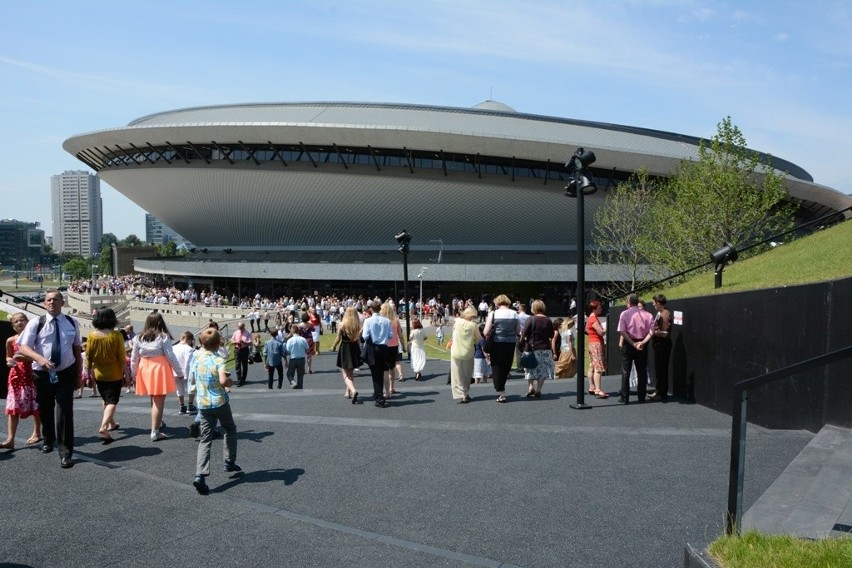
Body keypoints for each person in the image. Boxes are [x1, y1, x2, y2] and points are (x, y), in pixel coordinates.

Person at [16, 289, 83, 468]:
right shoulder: (36, 323)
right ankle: (48, 437)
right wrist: (40, 359)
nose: (52, 302)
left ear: (62, 302)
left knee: (64, 411)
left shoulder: (72, 322)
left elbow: (77, 349)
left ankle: (66, 452)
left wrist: (79, 374)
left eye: (56, 299)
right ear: (44, 304)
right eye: (48, 300)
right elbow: (23, 348)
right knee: (45, 408)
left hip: (66, 373)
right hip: (42, 373)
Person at [190, 327, 240, 496]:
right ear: (218, 343)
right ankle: (229, 460)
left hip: (203, 404)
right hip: (219, 402)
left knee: (205, 439)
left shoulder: (196, 357)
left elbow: (191, 378)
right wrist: (230, 382)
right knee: (229, 428)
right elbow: (223, 380)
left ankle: (200, 475)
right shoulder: (218, 360)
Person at [131, 312, 182, 441]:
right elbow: (170, 356)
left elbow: (134, 358)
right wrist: (179, 372)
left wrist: (133, 374)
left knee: (153, 397)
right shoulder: (163, 337)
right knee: (159, 400)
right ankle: (155, 431)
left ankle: (158, 422)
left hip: (144, 367)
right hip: (159, 367)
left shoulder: (138, 337)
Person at [86, 308, 128, 444]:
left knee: (105, 398)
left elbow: (88, 357)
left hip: (99, 373)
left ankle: (112, 423)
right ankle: (104, 427)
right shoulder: (116, 336)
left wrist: (87, 374)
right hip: (114, 373)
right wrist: (127, 375)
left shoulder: (91, 336)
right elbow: (122, 358)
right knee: (112, 401)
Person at [1, 312, 41, 450]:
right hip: (16, 376)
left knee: (36, 406)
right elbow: (8, 356)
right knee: (13, 408)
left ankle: (37, 432)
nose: (19, 323)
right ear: (12, 326)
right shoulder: (10, 340)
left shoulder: (35, 338)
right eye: (16, 321)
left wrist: (26, 358)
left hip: (32, 374)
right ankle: (10, 439)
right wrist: (9, 361)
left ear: (27, 322)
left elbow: (40, 356)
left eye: (22, 320)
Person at [617, 294, 655, 404]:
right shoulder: (648, 315)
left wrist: (633, 343)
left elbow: (622, 331)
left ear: (629, 302)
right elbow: (651, 332)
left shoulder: (624, 314)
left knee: (626, 371)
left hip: (629, 344)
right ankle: (641, 397)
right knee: (642, 371)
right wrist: (642, 342)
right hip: (642, 343)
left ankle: (625, 398)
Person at [483, 294, 519, 403]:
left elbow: (485, 332)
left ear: (497, 303)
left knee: (497, 366)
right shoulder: (514, 313)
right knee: (506, 365)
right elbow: (517, 331)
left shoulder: (493, 313)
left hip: (497, 342)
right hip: (510, 342)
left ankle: (501, 392)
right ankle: (502, 387)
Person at [519, 300, 555, 398]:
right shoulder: (548, 320)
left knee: (529, 368)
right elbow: (551, 334)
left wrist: (522, 341)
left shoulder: (531, 319)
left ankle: (531, 387)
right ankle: (539, 389)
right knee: (542, 370)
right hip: (545, 348)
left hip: (531, 347)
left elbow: (524, 333)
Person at [361, 299, 393, 408]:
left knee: (375, 374)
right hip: (384, 348)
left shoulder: (368, 321)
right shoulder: (387, 321)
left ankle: (379, 397)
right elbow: (390, 336)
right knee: (381, 372)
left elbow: (365, 336)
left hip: (373, 348)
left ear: (371, 309)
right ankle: (379, 394)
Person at [450, 306, 480, 403]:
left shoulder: (457, 321)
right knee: (467, 375)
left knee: (457, 375)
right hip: (468, 352)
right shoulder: (474, 325)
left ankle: (461, 393)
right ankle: (465, 393)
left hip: (456, 351)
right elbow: (478, 339)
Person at [331, 306, 361, 403]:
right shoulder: (357, 325)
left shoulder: (342, 324)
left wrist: (333, 346)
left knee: (345, 373)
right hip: (354, 347)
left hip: (345, 347)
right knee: (351, 372)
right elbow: (358, 339)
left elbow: (338, 338)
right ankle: (347, 392)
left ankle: (353, 390)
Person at [649, 294, 673, 402]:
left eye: (654, 303)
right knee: (659, 369)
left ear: (658, 303)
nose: (653, 305)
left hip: (662, 345)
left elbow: (666, 333)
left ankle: (662, 394)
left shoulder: (665, 314)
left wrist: (655, 333)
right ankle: (659, 391)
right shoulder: (661, 313)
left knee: (661, 369)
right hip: (659, 344)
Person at [381, 303, 406, 396]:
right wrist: (403, 345)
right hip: (394, 346)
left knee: (385, 369)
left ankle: (387, 389)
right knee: (392, 367)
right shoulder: (396, 321)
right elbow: (400, 335)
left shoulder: (382, 321)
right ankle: (392, 387)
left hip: (385, 345)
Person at [586, 300, 607, 398]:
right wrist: (608, 327)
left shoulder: (591, 318)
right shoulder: (593, 319)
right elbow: (601, 332)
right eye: (599, 308)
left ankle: (591, 387)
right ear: (594, 308)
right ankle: (598, 389)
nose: (601, 309)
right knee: (598, 368)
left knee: (592, 366)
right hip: (596, 344)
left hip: (592, 343)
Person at [173, 331, 196, 413]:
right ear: (189, 339)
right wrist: (186, 374)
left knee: (179, 389)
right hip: (186, 372)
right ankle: (190, 405)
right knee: (191, 388)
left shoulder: (173, 347)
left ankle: (182, 406)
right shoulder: (189, 349)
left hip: (175, 372)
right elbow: (188, 363)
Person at [554, 318, 579, 382]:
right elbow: (569, 342)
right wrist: (572, 354)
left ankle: (562, 376)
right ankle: (555, 370)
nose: (573, 324)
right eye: (573, 323)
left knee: (567, 364)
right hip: (569, 350)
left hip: (564, 350)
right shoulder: (569, 331)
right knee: (566, 364)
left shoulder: (564, 331)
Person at [284, 324, 309, 389]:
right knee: (300, 375)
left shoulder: (289, 340)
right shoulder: (303, 339)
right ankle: (300, 388)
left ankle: (292, 381)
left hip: (293, 359)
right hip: (301, 359)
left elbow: (287, 351)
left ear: (292, 332)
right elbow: (307, 350)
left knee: (289, 374)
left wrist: (286, 360)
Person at [230, 322, 251, 387]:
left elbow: (250, 342)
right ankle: (239, 379)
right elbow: (231, 340)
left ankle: (243, 379)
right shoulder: (236, 332)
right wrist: (236, 342)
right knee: (237, 364)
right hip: (237, 349)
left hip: (244, 349)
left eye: (241, 328)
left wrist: (244, 342)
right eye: (239, 328)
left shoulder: (248, 332)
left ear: (243, 326)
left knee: (244, 364)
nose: (240, 329)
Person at [514, 303, 531, 372]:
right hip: (527, 335)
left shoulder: (517, 316)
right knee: (526, 350)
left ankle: (520, 367)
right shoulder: (529, 317)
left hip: (519, 334)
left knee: (518, 351)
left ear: (520, 309)